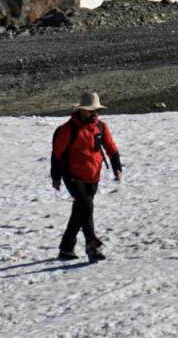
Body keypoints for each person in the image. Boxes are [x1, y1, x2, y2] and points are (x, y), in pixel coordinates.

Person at [50, 91, 123, 262]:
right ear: (82, 110)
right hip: (73, 175)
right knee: (86, 205)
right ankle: (92, 245)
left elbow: (111, 147)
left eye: (96, 111)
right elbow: (57, 154)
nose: (94, 114)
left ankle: (66, 249)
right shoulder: (69, 129)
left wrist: (117, 167)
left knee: (80, 210)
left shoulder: (100, 127)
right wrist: (56, 177)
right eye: (91, 111)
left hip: (93, 175)